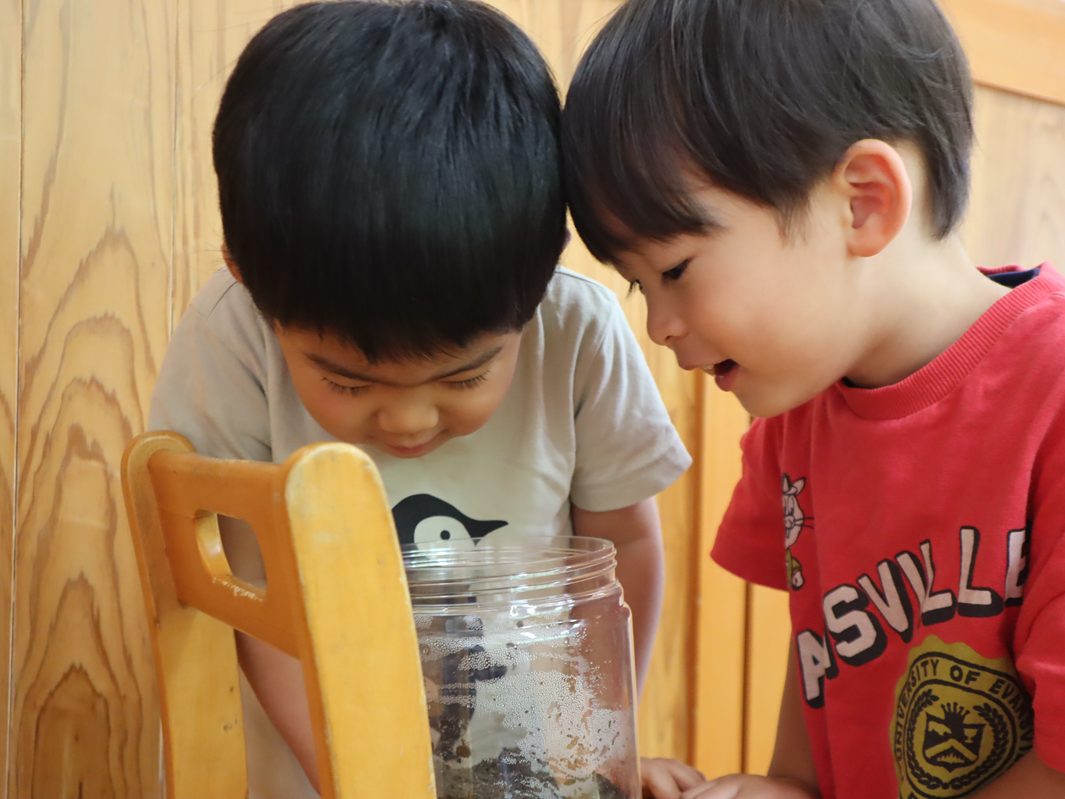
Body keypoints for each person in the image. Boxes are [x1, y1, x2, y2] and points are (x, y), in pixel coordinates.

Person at [149, 2, 690, 797]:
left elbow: (622, 550)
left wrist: (602, 744)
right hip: (297, 775)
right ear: (246, 276)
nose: (407, 420)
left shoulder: (576, 331)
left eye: (464, 377)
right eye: (346, 380)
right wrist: (368, 782)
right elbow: (246, 595)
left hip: (516, 774)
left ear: (541, 274)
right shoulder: (232, 337)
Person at [561, 0, 1065, 797]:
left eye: (677, 269)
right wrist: (785, 786)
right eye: (639, 284)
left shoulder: (1051, 390)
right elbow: (826, 644)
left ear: (862, 202)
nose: (658, 325)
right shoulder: (799, 407)